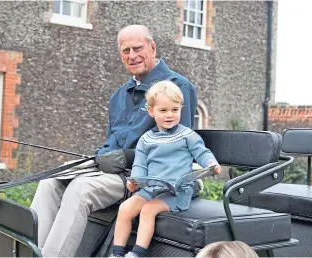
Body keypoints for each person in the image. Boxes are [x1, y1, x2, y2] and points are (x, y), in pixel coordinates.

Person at [30, 24, 198, 257]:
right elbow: (112, 141)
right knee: (51, 181)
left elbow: (180, 146)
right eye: (125, 51)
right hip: (111, 171)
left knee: (80, 189)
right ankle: (31, 253)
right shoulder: (119, 95)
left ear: (152, 47)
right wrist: (101, 155)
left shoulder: (178, 87)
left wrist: (127, 157)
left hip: (143, 178)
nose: (132, 56)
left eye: (138, 48)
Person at [110, 81, 222, 258]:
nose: (170, 115)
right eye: (163, 111)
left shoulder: (187, 135)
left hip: (178, 191)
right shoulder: (146, 139)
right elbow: (140, 164)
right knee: (125, 207)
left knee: (148, 209)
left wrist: (211, 164)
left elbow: (202, 153)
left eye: (175, 110)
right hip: (153, 188)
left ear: (180, 109)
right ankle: (117, 253)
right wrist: (135, 181)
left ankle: (137, 254)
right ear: (151, 111)